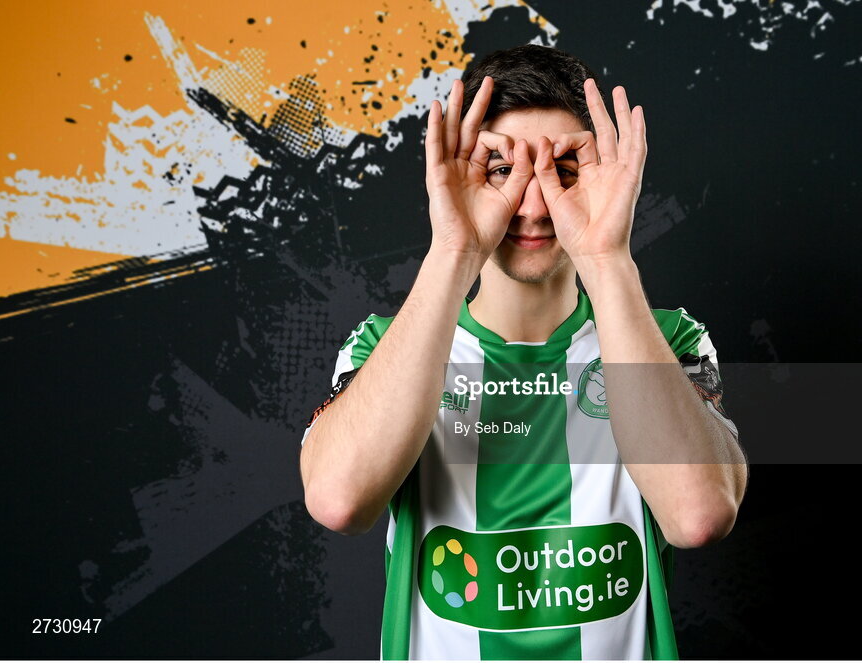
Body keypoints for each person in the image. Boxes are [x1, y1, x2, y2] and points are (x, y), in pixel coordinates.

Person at [299, 44, 748, 660]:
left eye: (565, 169)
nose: (534, 206)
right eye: (499, 168)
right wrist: (454, 251)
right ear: (454, 171)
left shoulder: (671, 343)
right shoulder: (382, 349)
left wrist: (605, 256)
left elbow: (698, 516)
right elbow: (337, 500)